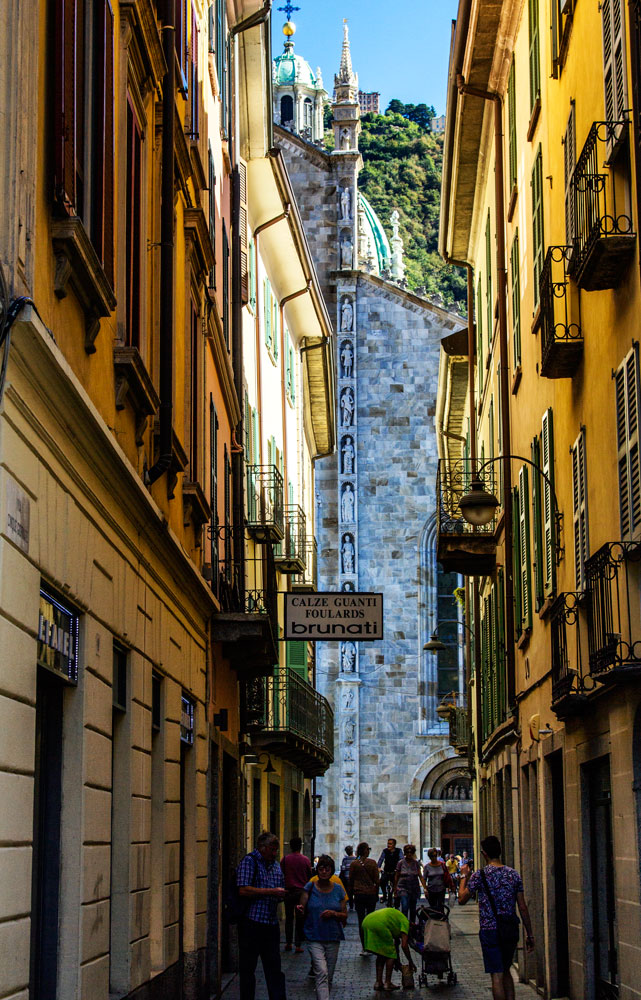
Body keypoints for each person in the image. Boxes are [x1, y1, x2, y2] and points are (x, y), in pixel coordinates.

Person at [458, 835, 535, 1000]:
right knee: (506, 970)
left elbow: (462, 899)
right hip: (509, 929)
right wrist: (529, 933)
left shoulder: (480, 875)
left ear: (483, 854)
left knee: (496, 974)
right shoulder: (513, 875)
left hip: (489, 929)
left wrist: (464, 876)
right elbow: (522, 906)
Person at [236, 831, 287, 1000]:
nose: (275, 853)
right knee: (248, 968)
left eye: (276, 850)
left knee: (274, 968)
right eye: (272, 849)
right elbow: (243, 889)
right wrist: (272, 891)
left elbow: (280, 886)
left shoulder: (275, 866)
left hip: (270, 924)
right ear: (262, 848)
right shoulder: (249, 862)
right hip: (252, 923)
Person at [297, 855, 347, 1000]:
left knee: (328, 976)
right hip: (314, 936)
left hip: (333, 936)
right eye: (321, 869)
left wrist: (334, 914)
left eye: (327, 869)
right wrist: (299, 909)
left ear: (331, 871)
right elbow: (301, 909)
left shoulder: (338, 890)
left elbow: (344, 915)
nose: (324, 871)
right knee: (322, 972)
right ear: (317, 870)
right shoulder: (310, 887)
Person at [361, 907, 417, 992]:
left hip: (367, 921)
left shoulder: (397, 919)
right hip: (379, 925)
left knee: (381, 954)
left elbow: (398, 944)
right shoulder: (405, 923)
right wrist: (411, 962)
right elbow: (404, 945)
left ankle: (378, 982)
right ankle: (388, 983)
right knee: (390, 955)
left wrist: (399, 964)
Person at [280, 836, 312, 952]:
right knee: (300, 919)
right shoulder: (305, 860)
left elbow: (281, 873)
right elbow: (309, 876)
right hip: (301, 893)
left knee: (289, 918)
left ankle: (288, 943)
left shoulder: (285, 859)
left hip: (288, 892)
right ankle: (298, 945)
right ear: (300, 846)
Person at [349, 842, 380, 955]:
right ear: (366, 850)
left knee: (361, 920)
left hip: (359, 894)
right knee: (370, 920)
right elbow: (377, 881)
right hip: (370, 894)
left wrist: (350, 896)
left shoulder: (354, 864)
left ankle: (364, 947)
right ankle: (370, 945)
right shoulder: (372, 863)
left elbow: (351, 880)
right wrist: (377, 894)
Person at [393, 844, 427, 925]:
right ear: (405, 853)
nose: (409, 854)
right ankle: (404, 924)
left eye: (411, 852)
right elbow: (396, 876)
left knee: (413, 908)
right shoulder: (400, 863)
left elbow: (420, 876)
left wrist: (425, 888)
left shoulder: (415, 863)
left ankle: (412, 924)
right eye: (407, 852)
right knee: (405, 906)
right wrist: (395, 889)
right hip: (403, 888)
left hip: (414, 888)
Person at [423, 847, 452, 913]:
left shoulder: (442, 865)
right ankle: (434, 921)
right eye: (432, 856)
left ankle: (441, 921)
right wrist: (425, 889)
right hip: (431, 890)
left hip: (441, 889)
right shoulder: (427, 867)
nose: (434, 857)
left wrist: (450, 886)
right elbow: (424, 878)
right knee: (433, 908)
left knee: (441, 907)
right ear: (429, 857)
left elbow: (447, 876)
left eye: (435, 856)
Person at [378, 838, 403, 905]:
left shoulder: (398, 851)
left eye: (390, 844)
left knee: (396, 884)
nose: (388, 845)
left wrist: (399, 868)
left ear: (394, 845)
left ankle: (396, 897)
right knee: (382, 881)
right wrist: (379, 867)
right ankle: (384, 895)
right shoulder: (385, 851)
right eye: (388, 844)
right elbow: (381, 859)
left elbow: (401, 860)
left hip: (395, 871)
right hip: (387, 871)